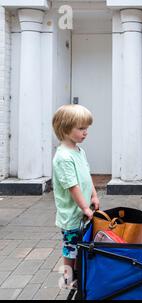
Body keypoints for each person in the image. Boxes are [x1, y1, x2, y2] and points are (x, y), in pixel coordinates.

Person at [52, 104, 100, 289]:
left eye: (86, 128)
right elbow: (73, 187)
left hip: (82, 210)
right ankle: (66, 279)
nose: (85, 132)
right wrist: (85, 208)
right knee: (70, 248)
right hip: (72, 214)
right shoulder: (63, 157)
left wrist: (94, 196)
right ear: (65, 128)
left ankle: (78, 276)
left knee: (80, 245)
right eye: (81, 128)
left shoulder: (79, 152)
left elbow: (87, 177)